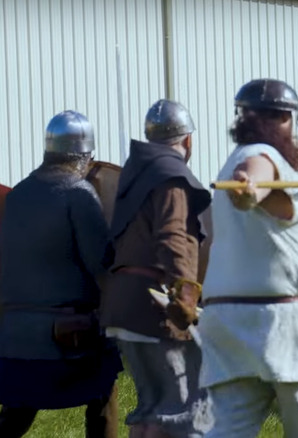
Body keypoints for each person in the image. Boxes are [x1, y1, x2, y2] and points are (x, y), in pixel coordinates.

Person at [197, 78, 298, 438]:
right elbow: (253, 179)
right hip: (279, 322)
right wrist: (248, 190)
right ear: (287, 121)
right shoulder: (260, 158)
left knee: (227, 431)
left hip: (228, 322)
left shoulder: (238, 164)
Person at [0, 111, 122, 437]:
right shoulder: (79, 194)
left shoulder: (19, 195)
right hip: (69, 339)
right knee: (104, 393)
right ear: (85, 155)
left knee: (15, 412)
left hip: (13, 336)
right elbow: (102, 263)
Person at [101, 99, 213, 437]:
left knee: (151, 410)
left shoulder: (137, 174)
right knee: (188, 409)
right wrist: (186, 298)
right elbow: (172, 237)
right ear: (188, 140)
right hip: (155, 308)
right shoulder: (169, 176)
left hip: (124, 306)